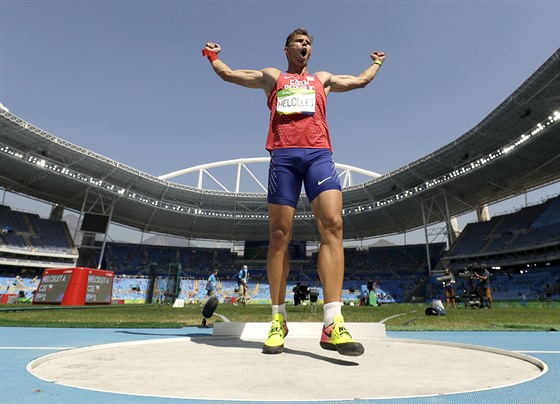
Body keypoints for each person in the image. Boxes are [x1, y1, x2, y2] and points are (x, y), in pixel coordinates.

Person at [202, 28, 385, 356]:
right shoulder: (273, 77)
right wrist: (213, 56)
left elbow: (360, 81)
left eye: (309, 43)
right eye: (299, 42)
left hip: (318, 155)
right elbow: (230, 75)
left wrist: (376, 64)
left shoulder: (323, 79)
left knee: (333, 225)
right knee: (279, 235)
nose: (305, 45)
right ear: (287, 48)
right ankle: (277, 320)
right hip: (284, 158)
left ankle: (333, 323)